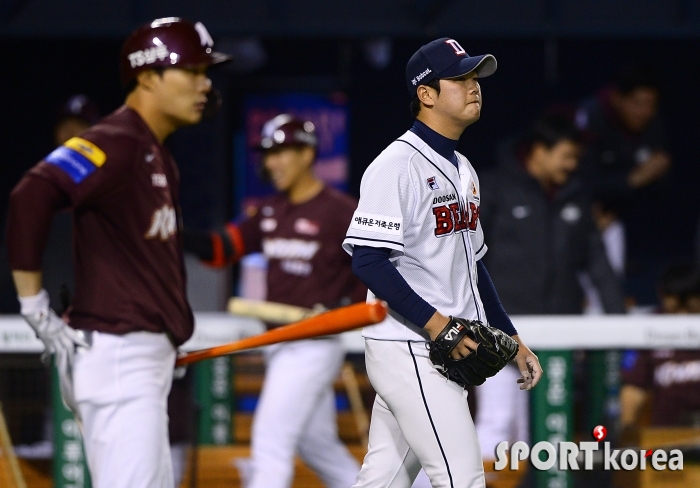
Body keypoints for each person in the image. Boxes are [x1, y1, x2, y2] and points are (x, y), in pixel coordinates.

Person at [6, 17, 231, 488]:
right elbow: (30, 194)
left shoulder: (155, 150)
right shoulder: (117, 139)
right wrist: (33, 306)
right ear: (148, 76)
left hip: (136, 357)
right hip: (120, 357)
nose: (204, 84)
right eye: (191, 71)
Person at [342, 38, 542, 488]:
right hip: (410, 345)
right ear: (426, 94)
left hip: (436, 345)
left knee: (385, 480)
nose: (474, 87)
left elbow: (473, 267)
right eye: (461, 79)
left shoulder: (464, 168)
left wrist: (513, 339)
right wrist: (436, 325)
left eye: (476, 78)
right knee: (462, 479)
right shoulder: (396, 165)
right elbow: (369, 262)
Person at [183, 114, 363, 488]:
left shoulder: (342, 211)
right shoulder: (268, 211)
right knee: (317, 445)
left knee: (269, 442)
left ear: (307, 153)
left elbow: (372, 274)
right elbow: (222, 249)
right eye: (267, 154)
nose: (271, 164)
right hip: (279, 344)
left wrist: (352, 314)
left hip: (315, 344)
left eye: (281, 152)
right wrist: (173, 232)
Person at [474, 113, 626, 471]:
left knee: (538, 435)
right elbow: (468, 257)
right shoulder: (493, 188)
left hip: (555, 340)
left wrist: (620, 323)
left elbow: (598, 264)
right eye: (568, 156)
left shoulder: (576, 194)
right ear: (539, 151)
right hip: (500, 331)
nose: (573, 165)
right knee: (497, 423)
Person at [576, 63, 671, 305]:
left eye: (651, 104)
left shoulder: (653, 125)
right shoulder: (591, 118)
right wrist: (634, 179)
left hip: (626, 225)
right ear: (618, 99)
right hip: (584, 222)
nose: (645, 111)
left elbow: (659, 186)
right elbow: (580, 181)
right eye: (638, 103)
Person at [619, 263, 700, 429]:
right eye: (675, 308)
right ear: (662, 295)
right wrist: (625, 433)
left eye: (690, 309)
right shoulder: (649, 328)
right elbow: (633, 389)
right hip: (666, 437)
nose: (682, 316)